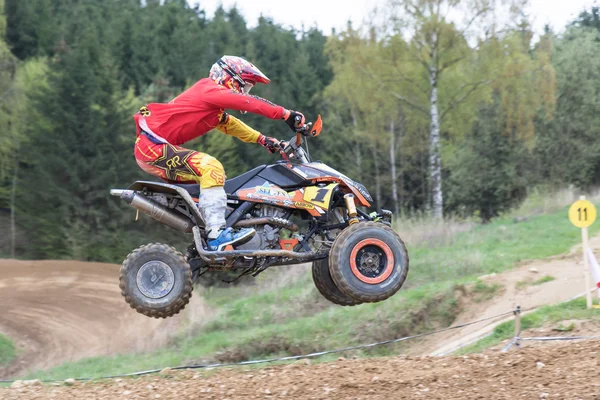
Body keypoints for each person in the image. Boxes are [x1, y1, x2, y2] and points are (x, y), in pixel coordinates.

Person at [133, 55, 306, 251]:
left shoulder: (211, 105)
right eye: (244, 86)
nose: (244, 92)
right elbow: (247, 102)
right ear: (229, 78)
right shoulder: (209, 90)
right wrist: (285, 113)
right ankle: (216, 235)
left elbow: (230, 124)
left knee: (215, 183)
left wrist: (262, 139)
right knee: (211, 167)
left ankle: (214, 232)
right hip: (152, 147)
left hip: (152, 148)